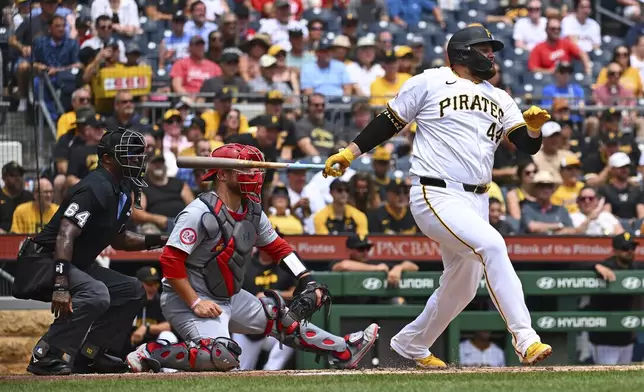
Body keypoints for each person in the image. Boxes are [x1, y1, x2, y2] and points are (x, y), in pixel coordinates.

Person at [322, 25, 552, 368]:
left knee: (464, 283)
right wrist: (349, 153)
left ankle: (412, 343)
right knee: (492, 246)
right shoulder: (429, 81)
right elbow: (388, 122)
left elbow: (527, 145)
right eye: (484, 48)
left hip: (478, 199)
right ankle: (525, 338)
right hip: (436, 191)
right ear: (462, 52)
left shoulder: (501, 97)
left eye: (493, 49)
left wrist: (533, 128)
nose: (491, 55)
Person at [126, 143, 378, 373]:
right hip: (188, 298)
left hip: (230, 295)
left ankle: (343, 350)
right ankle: (151, 353)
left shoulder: (253, 209)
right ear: (222, 175)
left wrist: (305, 277)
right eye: (245, 169)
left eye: (255, 169)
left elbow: (278, 248)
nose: (255, 175)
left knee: (281, 318)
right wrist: (194, 303)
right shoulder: (198, 212)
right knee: (221, 356)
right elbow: (170, 261)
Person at [11, 129, 169, 376]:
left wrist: (164, 240)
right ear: (107, 158)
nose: (137, 159)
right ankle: (46, 354)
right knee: (97, 293)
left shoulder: (121, 189)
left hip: (76, 263)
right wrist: (61, 284)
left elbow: (121, 239)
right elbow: (66, 234)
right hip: (44, 261)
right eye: (129, 154)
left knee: (132, 290)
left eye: (139, 154)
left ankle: (90, 355)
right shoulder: (94, 187)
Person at [232, 249, 297, 370]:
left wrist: (275, 294)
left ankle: (271, 372)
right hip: (249, 327)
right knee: (240, 369)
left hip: (276, 327)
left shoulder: (287, 263)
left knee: (293, 331)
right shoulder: (246, 264)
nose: (273, 248)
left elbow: (297, 291)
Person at [586, 233, 641, 365]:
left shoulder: (635, 268)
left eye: (632, 248)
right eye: (625, 248)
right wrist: (596, 267)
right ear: (615, 251)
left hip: (627, 337)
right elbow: (576, 267)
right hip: (605, 338)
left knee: (624, 380)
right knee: (605, 377)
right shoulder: (606, 265)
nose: (630, 252)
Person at [125, 266, 177, 356]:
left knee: (168, 336)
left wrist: (146, 328)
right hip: (129, 347)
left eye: (155, 284)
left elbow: (168, 326)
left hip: (154, 348)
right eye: (149, 284)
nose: (153, 288)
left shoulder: (161, 301)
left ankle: (168, 369)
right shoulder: (129, 302)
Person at [0, 161, 34, 233]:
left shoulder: (29, 197)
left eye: (20, 175)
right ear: (3, 178)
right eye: (12, 175)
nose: (18, 178)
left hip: (24, 237)